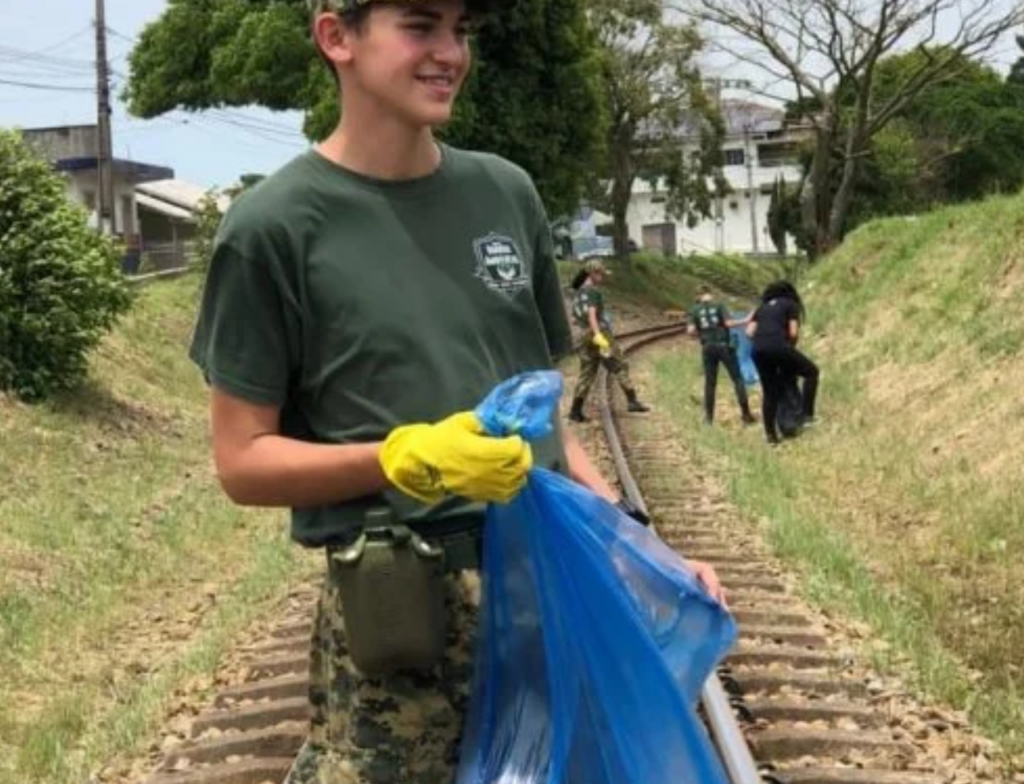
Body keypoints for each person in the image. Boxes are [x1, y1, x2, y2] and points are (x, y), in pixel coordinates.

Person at [188, 1, 725, 782]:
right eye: (420, 25)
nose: (450, 52)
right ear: (336, 36)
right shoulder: (272, 228)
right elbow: (243, 463)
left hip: (546, 594)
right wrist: (402, 459)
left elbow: (548, 426)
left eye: (461, 29)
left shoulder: (505, 194)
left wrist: (638, 549)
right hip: (402, 623)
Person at [567, 259, 651, 423]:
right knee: (619, 365)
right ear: (592, 273)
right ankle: (632, 401)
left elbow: (576, 317)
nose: (603, 277)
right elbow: (592, 314)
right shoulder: (592, 291)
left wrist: (587, 332)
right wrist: (598, 334)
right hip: (599, 334)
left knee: (587, 372)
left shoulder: (578, 293)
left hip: (583, 335)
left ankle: (575, 411)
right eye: (600, 274)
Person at [746, 280, 820, 445]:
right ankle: (807, 416)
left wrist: (763, 342)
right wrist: (787, 348)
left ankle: (771, 436)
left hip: (757, 350)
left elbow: (749, 332)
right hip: (779, 345)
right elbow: (793, 333)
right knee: (811, 372)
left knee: (770, 393)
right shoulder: (790, 304)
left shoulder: (762, 308)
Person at [687, 286, 756, 426]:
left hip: (707, 348)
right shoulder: (719, 305)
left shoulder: (694, 310)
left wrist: (703, 333)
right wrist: (746, 320)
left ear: (698, 296)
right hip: (724, 346)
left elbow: (691, 331)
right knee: (737, 379)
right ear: (710, 294)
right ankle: (746, 415)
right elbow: (729, 323)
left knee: (710, 383)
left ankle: (708, 419)